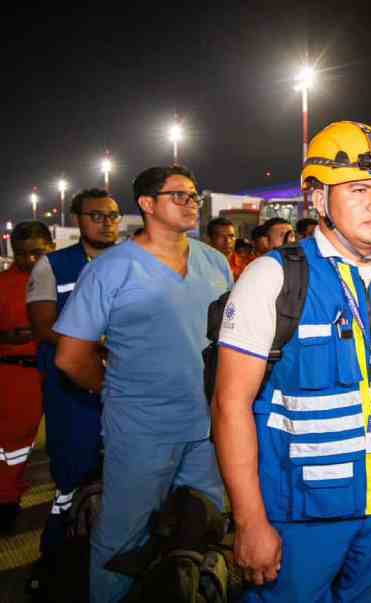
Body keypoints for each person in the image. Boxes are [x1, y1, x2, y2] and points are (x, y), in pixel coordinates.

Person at [213, 121, 371, 602]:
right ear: (317, 200)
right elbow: (231, 404)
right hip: (300, 515)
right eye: (358, 189)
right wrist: (250, 521)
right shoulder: (272, 279)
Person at [53, 165, 232, 601]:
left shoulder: (214, 262)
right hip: (142, 432)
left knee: (205, 531)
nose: (192, 204)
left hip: (209, 429)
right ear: (148, 205)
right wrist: (119, 393)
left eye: (195, 196)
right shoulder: (112, 270)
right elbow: (71, 357)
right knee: (122, 539)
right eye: (179, 196)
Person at [27, 188, 120, 559]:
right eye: (96, 215)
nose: (106, 223)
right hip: (72, 389)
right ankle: (59, 557)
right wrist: (94, 345)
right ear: (77, 220)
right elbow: (43, 327)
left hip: (126, 385)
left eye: (112, 215)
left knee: (125, 473)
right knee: (73, 474)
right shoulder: (52, 266)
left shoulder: (135, 260)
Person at [0, 221, 53, 532]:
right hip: (17, 373)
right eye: (21, 255)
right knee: (12, 442)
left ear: (51, 248)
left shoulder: (69, 280)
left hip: (62, 372)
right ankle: (6, 498)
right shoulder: (3, 284)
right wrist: (8, 336)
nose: (30, 261)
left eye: (37, 253)